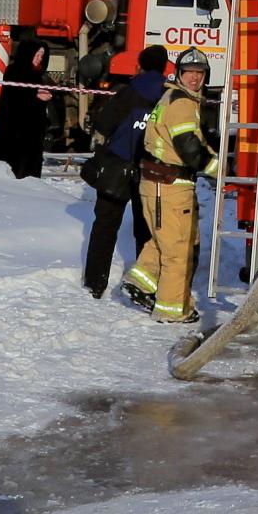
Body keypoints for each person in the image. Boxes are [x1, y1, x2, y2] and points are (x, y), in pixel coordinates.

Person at [122, 48, 218, 324]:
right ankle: (173, 310)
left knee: (164, 240)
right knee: (179, 249)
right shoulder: (183, 103)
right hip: (171, 186)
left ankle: (141, 282)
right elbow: (189, 148)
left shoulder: (170, 97)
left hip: (157, 185)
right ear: (178, 73)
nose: (194, 79)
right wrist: (218, 169)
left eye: (200, 74)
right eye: (189, 73)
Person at [81, 45, 167, 299]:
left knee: (105, 227)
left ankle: (95, 283)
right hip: (150, 171)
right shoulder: (168, 95)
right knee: (146, 230)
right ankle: (144, 284)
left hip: (117, 168)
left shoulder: (128, 92)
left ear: (140, 65)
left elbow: (104, 123)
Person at [0, 32, 53, 179]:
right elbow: (15, 101)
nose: (39, 59)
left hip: (30, 137)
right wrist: (36, 97)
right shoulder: (14, 71)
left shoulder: (38, 76)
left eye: (42, 56)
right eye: (37, 54)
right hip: (12, 134)